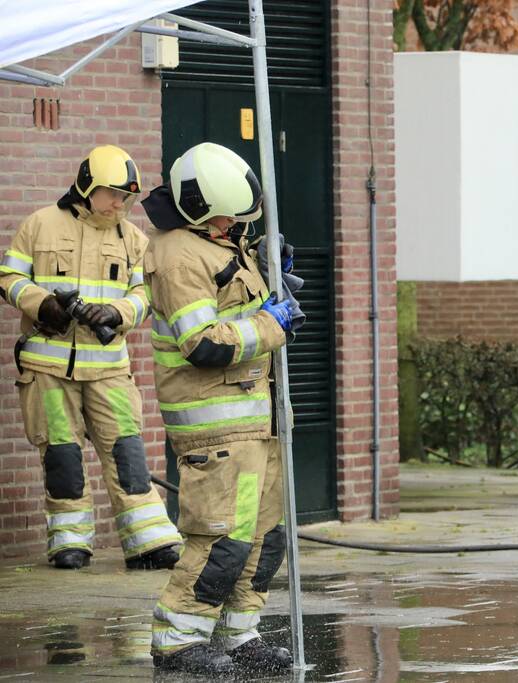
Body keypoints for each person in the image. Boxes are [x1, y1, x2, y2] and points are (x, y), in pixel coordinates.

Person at [141, 142, 297, 675]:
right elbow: (203, 344)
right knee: (221, 537)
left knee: (263, 537)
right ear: (198, 210)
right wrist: (273, 321)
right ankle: (178, 639)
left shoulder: (219, 240)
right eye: (229, 219)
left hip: (256, 421)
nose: (237, 225)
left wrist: (273, 279)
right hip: (217, 426)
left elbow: (240, 310)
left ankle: (238, 636)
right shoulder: (179, 254)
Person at [0, 145, 182, 570]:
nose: (121, 204)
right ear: (88, 186)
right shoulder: (39, 225)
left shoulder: (134, 240)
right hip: (47, 368)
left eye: (127, 197)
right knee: (61, 456)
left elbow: (146, 296)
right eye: (114, 194)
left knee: (128, 453)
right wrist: (41, 304)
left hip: (109, 371)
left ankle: (149, 543)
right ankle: (69, 544)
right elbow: (8, 276)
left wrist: (116, 313)